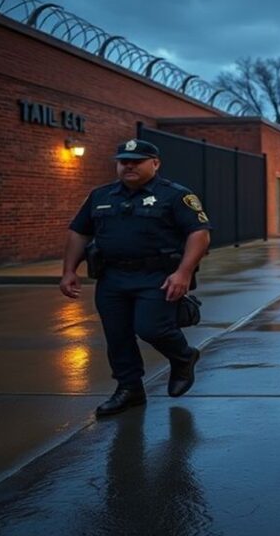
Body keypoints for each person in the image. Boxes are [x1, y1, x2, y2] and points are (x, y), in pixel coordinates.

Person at [60, 139, 211, 417]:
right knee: (117, 336)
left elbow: (199, 234)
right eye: (123, 161)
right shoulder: (101, 196)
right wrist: (69, 270)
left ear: (155, 164)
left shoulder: (175, 196)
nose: (128, 165)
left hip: (158, 276)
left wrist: (183, 273)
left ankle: (183, 356)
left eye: (136, 161)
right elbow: (79, 232)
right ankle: (129, 390)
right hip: (113, 276)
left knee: (152, 328)